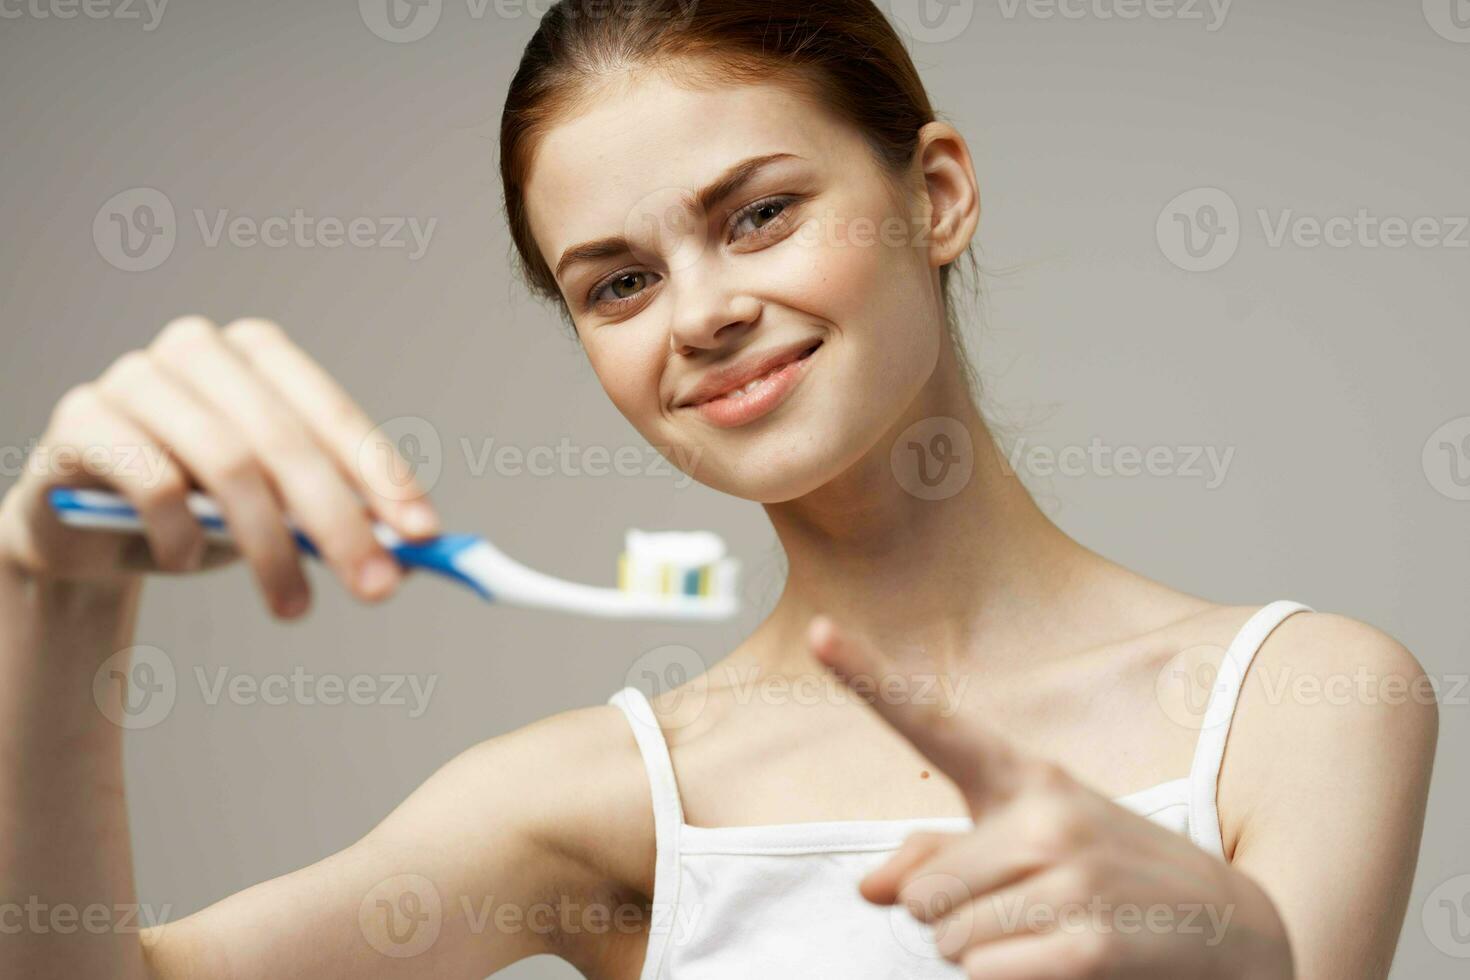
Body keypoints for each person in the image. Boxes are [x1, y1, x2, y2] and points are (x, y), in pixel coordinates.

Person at [0, 1, 1437, 977]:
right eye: (616, 282)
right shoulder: (594, 800)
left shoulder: (1308, 696)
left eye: (758, 215)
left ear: (932, 195)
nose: (698, 313)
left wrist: (1239, 956)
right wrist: (47, 599)